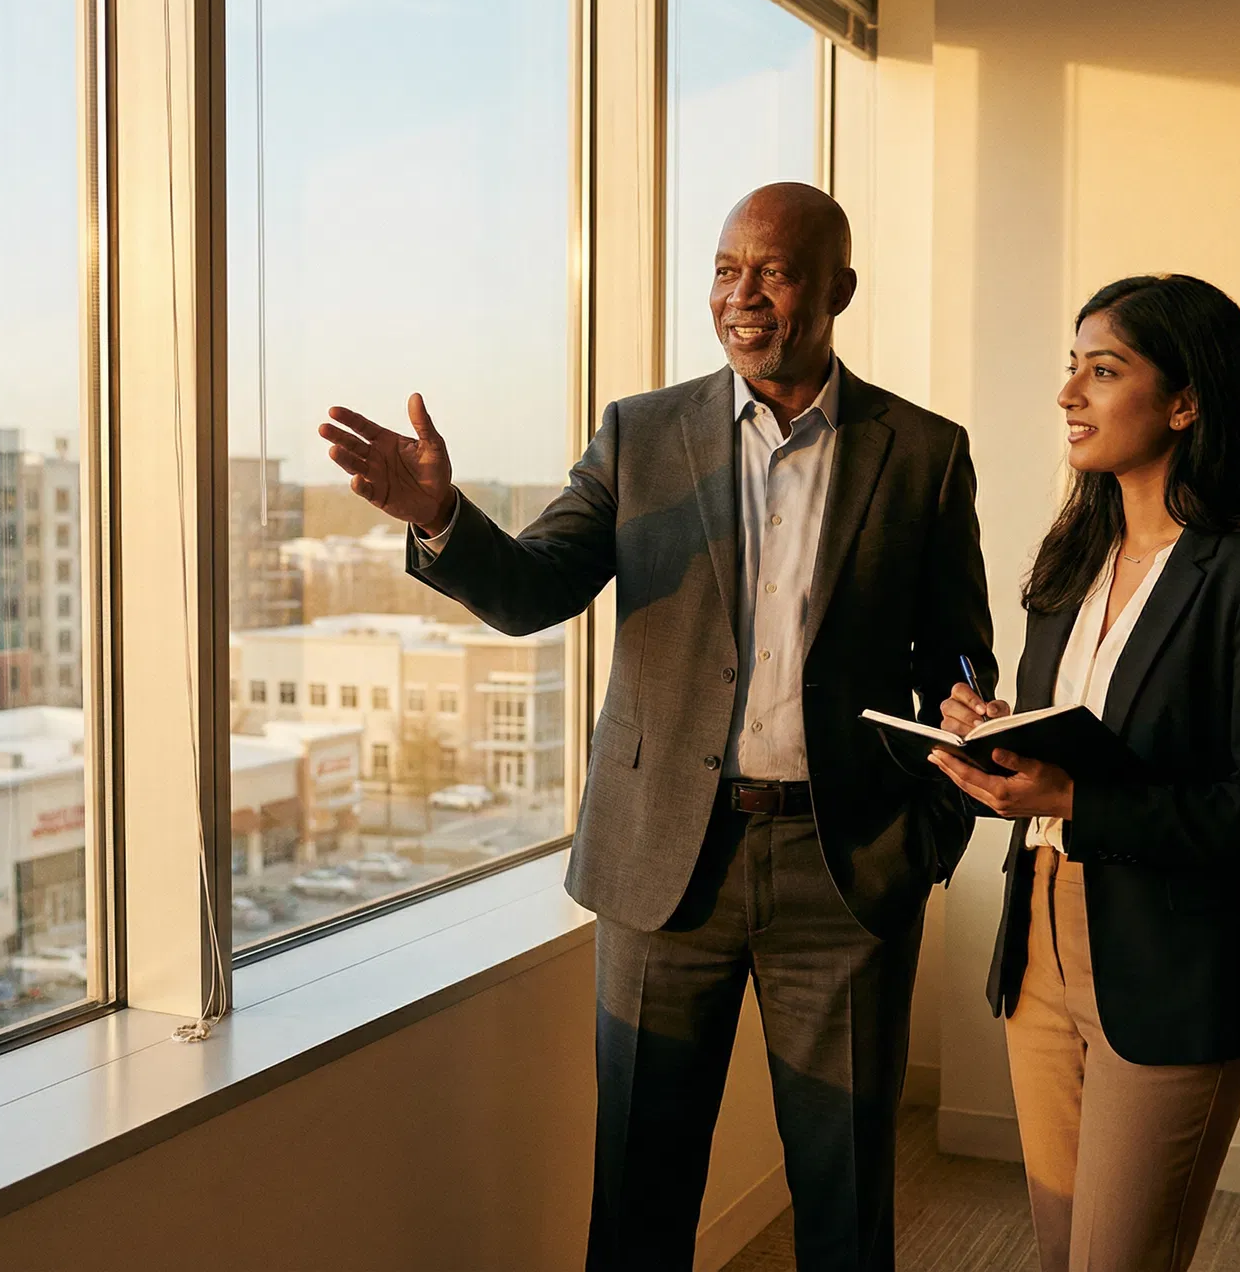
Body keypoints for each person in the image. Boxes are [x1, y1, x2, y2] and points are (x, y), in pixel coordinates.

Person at [318, 183, 994, 1270]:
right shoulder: (643, 434)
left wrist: (927, 831)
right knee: (639, 1195)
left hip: (847, 867)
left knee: (847, 1197)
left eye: (773, 270)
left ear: (840, 290)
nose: (743, 294)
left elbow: (958, 653)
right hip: (662, 864)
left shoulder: (922, 451)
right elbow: (535, 588)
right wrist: (440, 516)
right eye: (726, 268)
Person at [928, 274, 1240, 1272]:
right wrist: (994, 737)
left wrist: (1076, 798)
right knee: (1065, 1247)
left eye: (1103, 371)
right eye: (1072, 368)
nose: (1069, 394)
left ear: (1187, 400)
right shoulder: (1072, 559)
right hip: (1041, 940)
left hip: (1176, 958)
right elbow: (1074, 741)